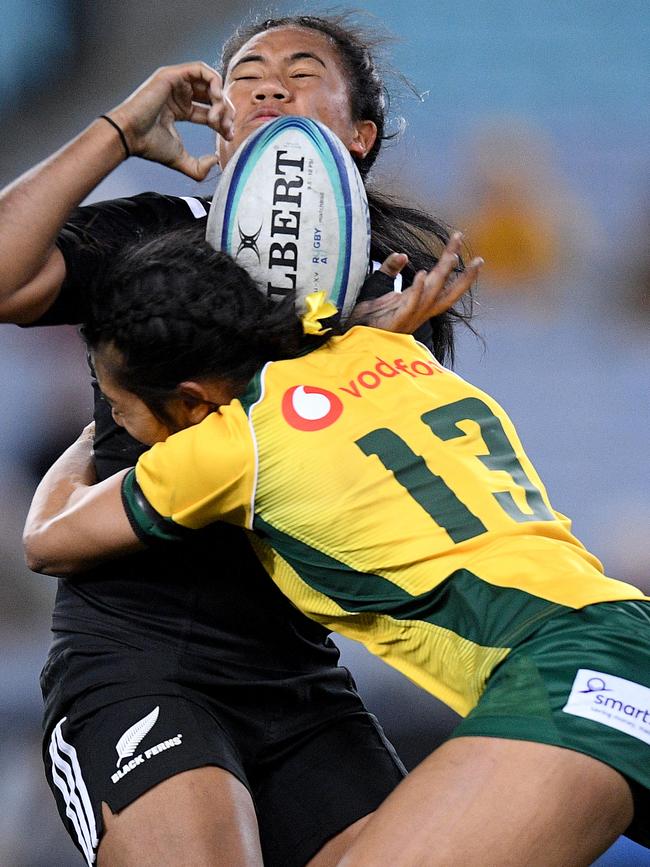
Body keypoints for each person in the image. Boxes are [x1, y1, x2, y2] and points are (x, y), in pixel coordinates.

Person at [0, 13, 480, 867]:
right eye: (247, 72)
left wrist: (357, 340)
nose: (268, 83)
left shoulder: (396, 279)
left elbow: (323, 467)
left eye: (301, 71)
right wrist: (116, 132)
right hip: (137, 656)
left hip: (299, 672)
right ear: (219, 117)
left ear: (360, 133)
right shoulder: (153, 233)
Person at [23, 231, 650, 867]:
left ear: (190, 400)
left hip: (567, 672)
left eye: (124, 412)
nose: (121, 426)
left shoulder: (228, 445)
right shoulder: (385, 344)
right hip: (622, 631)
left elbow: (47, 539)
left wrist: (86, 443)